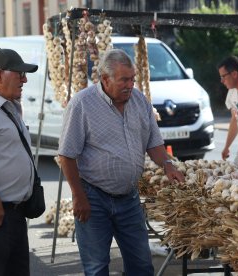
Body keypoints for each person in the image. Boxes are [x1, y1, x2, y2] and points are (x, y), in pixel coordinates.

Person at [58, 49, 185, 276]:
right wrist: (78, 196)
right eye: (124, 80)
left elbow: (153, 143)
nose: (130, 85)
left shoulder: (140, 102)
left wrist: (167, 165)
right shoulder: (82, 104)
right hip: (93, 198)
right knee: (97, 268)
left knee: (142, 266)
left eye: (132, 79)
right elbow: (66, 155)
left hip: (129, 200)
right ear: (105, 79)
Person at [0, 48, 38, 276]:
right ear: (0, 75)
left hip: (13, 214)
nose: (24, 79)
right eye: (19, 74)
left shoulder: (10, 106)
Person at [217, 56, 238, 164]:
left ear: (234, 74)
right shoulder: (231, 93)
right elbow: (235, 119)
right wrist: (226, 147)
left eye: (223, 76)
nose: (222, 81)